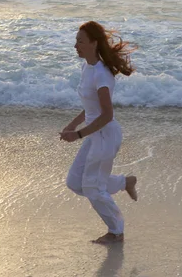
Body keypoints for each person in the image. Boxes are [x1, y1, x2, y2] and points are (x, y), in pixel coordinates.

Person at [59, 21, 138, 245]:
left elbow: (106, 115)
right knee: (76, 182)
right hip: (95, 134)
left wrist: (79, 135)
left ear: (94, 43)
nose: (76, 45)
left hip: (105, 135)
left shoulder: (101, 75)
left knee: (93, 188)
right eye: (76, 41)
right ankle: (125, 182)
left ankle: (116, 231)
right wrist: (72, 125)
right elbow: (90, 108)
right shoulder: (87, 67)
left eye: (81, 41)